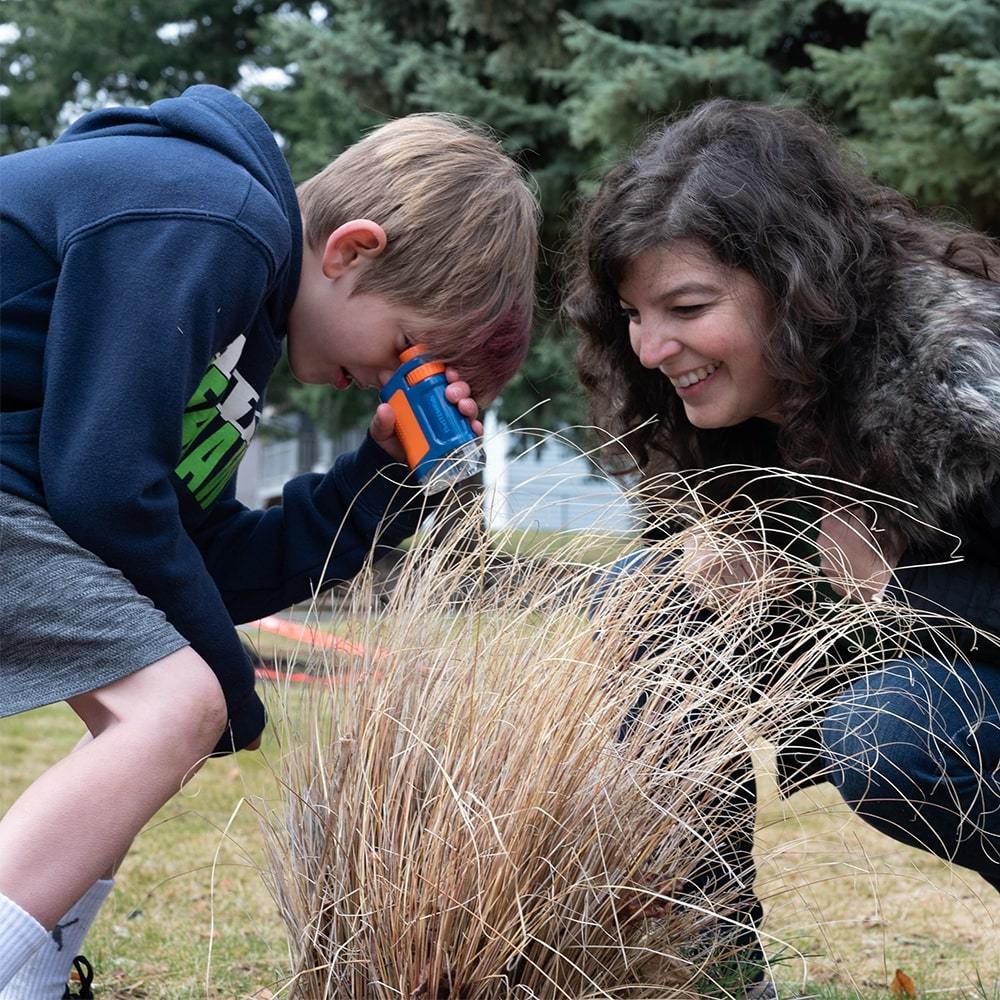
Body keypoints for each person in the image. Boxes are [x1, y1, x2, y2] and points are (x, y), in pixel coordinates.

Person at [0, 85, 538, 996]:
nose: (382, 380)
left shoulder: (241, 335)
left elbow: (195, 555)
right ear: (352, 250)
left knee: (151, 719)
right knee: (173, 705)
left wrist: (374, 477)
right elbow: (103, 488)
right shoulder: (214, 218)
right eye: (404, 349)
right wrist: (225, 678)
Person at [566, 98, 1000, 991]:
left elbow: (898, 593)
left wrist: (901, 590)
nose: (651, 348)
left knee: (889, 734)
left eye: (685, 306)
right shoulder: (728, 401)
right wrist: (724, 553)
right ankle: (714, 975)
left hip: (954, 661)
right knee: (645, 598)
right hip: (899, 641)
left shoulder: (964, 375)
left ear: (796, 284)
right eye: (632, 313)